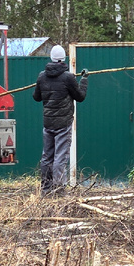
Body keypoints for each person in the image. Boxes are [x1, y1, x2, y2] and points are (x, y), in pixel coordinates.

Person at [33, 45, 88, 195]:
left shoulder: (41, 76)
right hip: (63, 123)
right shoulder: (68, 77)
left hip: (48, 123)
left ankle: (45, 189)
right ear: (63, 58)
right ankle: (58, 190)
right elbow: (80, 97)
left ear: (51, 57)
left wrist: (41, 86)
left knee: (47, 156)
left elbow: (36, 97)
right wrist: (84, 80)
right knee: (60, 157)